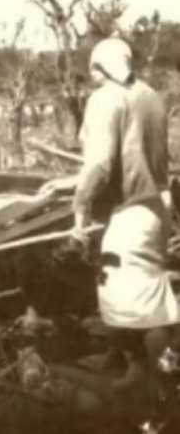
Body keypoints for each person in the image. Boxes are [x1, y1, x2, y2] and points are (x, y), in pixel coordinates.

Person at [39, 38, 178, 410]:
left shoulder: (106, 99)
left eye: (94, 69)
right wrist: (70, 181)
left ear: (101, 67)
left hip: (127, 213)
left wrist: (80, 205)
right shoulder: (150, 96)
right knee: (150, 292)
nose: (92, 76)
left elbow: (101, 163)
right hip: (156, 208)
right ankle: (153, 373)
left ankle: (153, 384)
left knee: (131, 304)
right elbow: (132, 158)